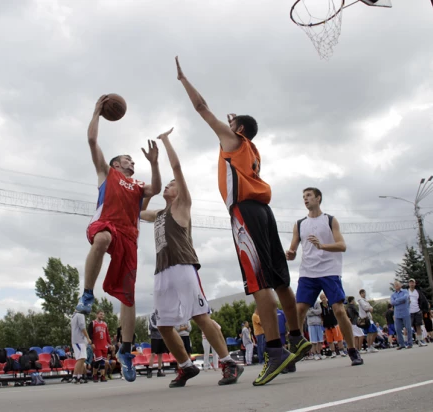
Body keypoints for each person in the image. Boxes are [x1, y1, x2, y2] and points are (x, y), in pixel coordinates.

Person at [176, 56, 310, 386]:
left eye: (232, 126)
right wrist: (237, 121)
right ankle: (296, 337)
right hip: (265, 213)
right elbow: (237, 128)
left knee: (258, 283)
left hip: (245, 214)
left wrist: (183, 80)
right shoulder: (251, 149)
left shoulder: (233, 142)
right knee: (280, 279)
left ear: (236, 130)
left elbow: (202, 108)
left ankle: (275, 352)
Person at [140, 129, 242, 387]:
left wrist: (165, 141)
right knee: (163, 325)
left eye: (171, 184)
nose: (168, 185)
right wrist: (152, 165)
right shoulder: (160, 213)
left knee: (199, 316)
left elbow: (176, 166)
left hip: (183, 267)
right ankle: (186, 366)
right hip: (162, 271)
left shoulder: (182, 204)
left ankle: (229, 363)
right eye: (168, 183)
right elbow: (139, 211)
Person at [76, 95, 162, 382]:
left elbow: (158, 188)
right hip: (107, 223)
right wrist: (97, 113)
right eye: (128, 158)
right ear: (115, 162)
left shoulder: (138, 186)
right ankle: (87, 293)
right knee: (100, 239)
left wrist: (154, 163)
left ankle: (125, 349)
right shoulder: (106, 173)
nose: (131, 161)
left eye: (132, 160)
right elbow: (91, 142)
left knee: (128, 295)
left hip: (129, 235)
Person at [286, 187, 363, 366]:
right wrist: (289, 254)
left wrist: (322, 246)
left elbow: (342, 245)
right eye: (303, 196)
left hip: (329, 270)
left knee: (338, 310)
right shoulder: (299, 224)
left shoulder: (329, 220)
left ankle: (352, 350)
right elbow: (293, 250)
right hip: (308, 272)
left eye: (309, 196)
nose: (305, 199)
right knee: (298, 311)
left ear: (318, 198)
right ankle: (293, 354)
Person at [87, 311, 111, 383]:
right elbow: (90, 334)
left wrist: (110, 343)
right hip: (97, 344)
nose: (102, 316)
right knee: (98, 360)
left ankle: (102, 376)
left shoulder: (105, 324)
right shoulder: (93, 323)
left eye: (103, 315)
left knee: (103, 361)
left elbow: (107, 335)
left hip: (104, 344)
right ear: (97, 314)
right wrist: (92, 343)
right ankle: (94, 374)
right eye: (100, 314)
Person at [320, 293, 347, 358]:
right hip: (326, 324)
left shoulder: (331, 303)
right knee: (329, 339)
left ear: (326, 297)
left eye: (324, 297)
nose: (323, 299)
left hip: (334, 322)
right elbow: (321, 315)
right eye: (322, 298)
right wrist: (322, 321)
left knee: (339, 338)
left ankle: (341, 350)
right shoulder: (320, 305)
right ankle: (333, 352)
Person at [71, 307, 91, 384]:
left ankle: (79, 376)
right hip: (79, 340)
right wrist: (88, 338)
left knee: (82, 359)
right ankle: (75, 376)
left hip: (77, 340)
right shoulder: (80, 315)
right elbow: (83, 327)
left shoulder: (75, 315)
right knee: (81, 358)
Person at [407, 279, 429, 347]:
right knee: (407, 327)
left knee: (418, 326)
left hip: (417, 311)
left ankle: (420, 340)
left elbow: (423, 301)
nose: (411, 284)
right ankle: (406, 342)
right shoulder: (406, 292)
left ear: (415, 284)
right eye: (410, 282)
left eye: (413, 282)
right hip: (409, 312)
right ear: (408, 284)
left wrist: (424, 309)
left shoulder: (418, 292)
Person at [391, 281, 412, 349]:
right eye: (395, 285)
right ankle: (401, 344)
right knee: (397, 329)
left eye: (397, 284)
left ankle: (409, 343)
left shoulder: (405, 291)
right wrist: (400, 301)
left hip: (405, 312)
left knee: (408, 328)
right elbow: (392, 302)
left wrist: (397, 300)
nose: (396, 285)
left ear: (400, 285)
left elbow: (405, 298)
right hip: (397, 314)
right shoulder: (393, 295)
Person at [357, 289, 379, 353]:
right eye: (363, 293)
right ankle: (369, 346)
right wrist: (370, 308)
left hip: (369, 319)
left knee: (374, 331)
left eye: (364, 293)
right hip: (365, 319)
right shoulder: (361, 300)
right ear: (360, 294)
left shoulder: (365, 300)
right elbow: (366, 307)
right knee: (370, 333)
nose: (364, 294)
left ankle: (370, 345)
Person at [147, 311, 167, 379]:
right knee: (153, 353)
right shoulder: (152, 314)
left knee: (160, 354)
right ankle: (150, 370)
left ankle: (159, 370)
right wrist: (160, 327)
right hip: (154, 337)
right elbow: (152, 325)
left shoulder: (162, 313)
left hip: (161, 336)